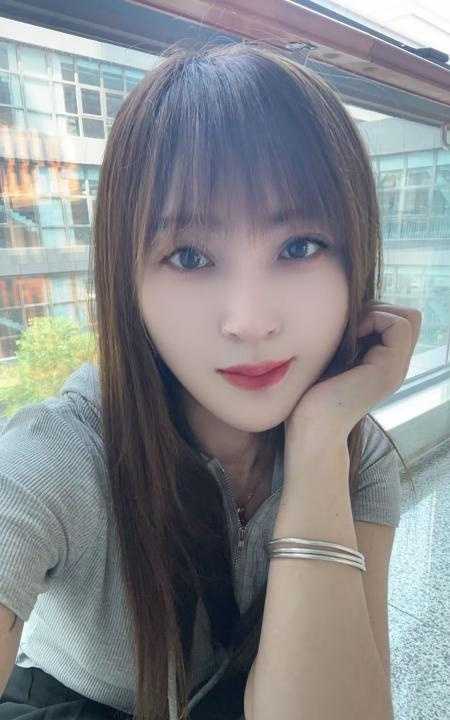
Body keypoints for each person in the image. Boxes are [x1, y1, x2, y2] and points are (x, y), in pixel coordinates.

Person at [0, 41, 414, 720]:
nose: (250, 322)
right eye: (190, 257)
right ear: (128, 280)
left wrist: (317, 446)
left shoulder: (354, 451)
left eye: (300, 247)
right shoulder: (63, 451)